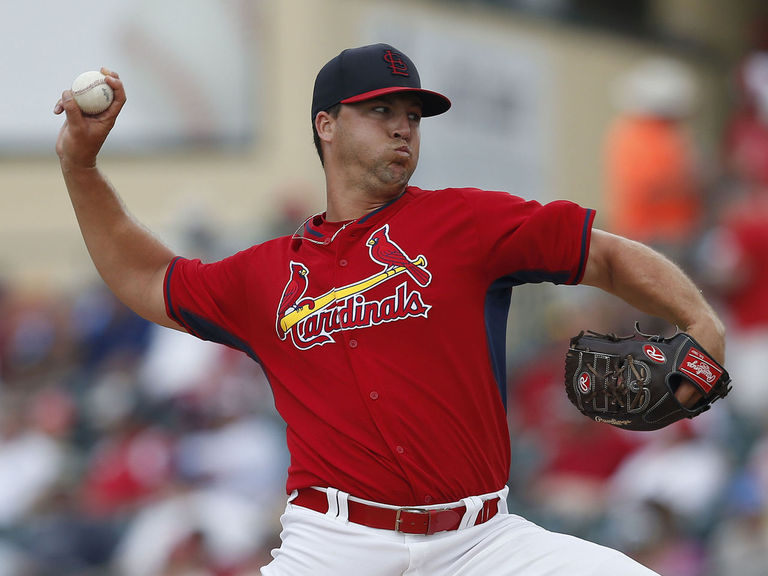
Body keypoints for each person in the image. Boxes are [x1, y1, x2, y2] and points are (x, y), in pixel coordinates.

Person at [55, 43, 726, 575]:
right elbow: (149, 276)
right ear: (326, 125)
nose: (403, 126)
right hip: (335, 544)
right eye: (381, 111)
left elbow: (603, 255)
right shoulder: (265, 275)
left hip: (481, 543)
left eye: (412, 115)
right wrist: (81, 171)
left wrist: (702, 324)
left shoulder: (467, 223)